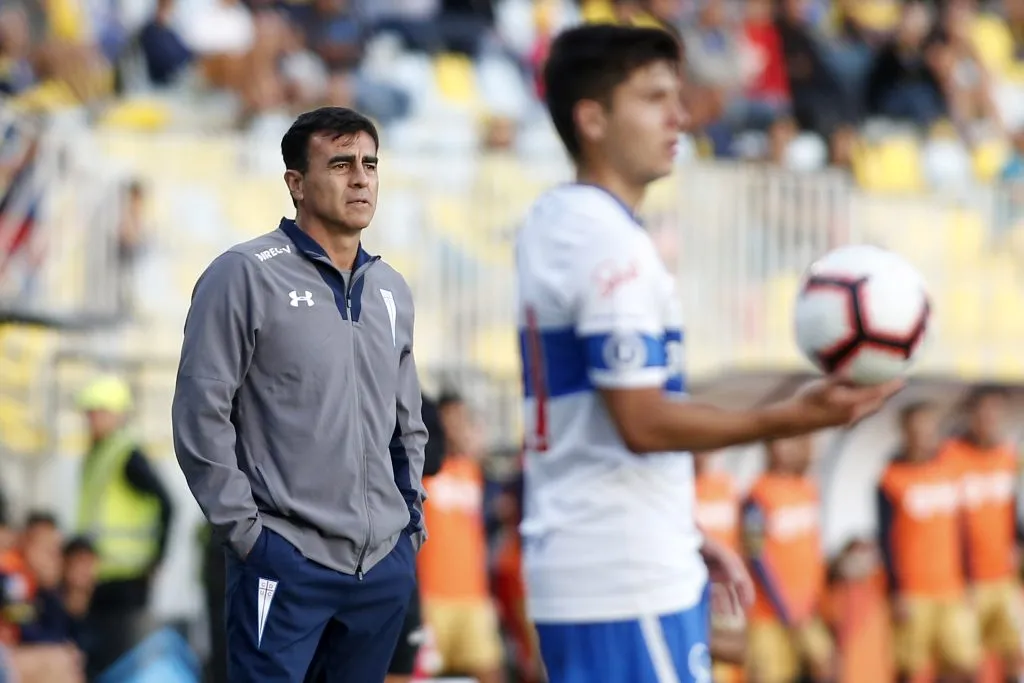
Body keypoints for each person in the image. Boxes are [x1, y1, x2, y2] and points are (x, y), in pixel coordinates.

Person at [514, 23, 901, 683]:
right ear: (592, 118)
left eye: (679, 95)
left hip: (599, 558)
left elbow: (600, 422)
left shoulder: (555, 220)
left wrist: (685, 536)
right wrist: (793, 416)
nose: (681, 115)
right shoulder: (614, 247)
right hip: (626, 576)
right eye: (655, 97)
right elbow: (641, 421)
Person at [171, 106, 428, 683]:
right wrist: (250, 537)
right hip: (284, 561)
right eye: (340, 163)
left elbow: (406, 423)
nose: (360, 178)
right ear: (296, 183)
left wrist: (409, 524)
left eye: (369, 164)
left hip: (382, 565)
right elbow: (200, 413)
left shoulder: (391, 289)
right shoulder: (243, 274)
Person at [74, 375, 174, 679]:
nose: (91, 419)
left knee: (120, 661)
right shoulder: (99, 452)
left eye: (98, 412)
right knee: (98, 660)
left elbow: (167, 504)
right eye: (89, 412)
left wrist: (156, 559)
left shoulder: (127, 454)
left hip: (126, 579)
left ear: (117, 414)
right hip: (98, 576)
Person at [877, 402, 981, 683]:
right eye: (918, 428)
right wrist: (895, 590)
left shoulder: (950, 470)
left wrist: (969, 578)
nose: (925, 434)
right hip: (913, 592)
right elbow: (885, 539)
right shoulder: (891, 478)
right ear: (905, 432)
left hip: (952, 588)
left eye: (930, 427)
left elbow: (962, 531)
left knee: (963, 664)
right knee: (910, 668)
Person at [417, 391, 504, 683]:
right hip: (430, 599)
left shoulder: (477, 472)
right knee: (418, 673)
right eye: (451, 420)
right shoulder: (422, 471)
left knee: (491, 671)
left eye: (462, 420)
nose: (458, 427)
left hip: (472, 598)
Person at [938, 386, 1021, 682]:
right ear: (969, 414)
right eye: (982, 410)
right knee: (964, 663)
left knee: (1014, 653)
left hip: (1003, 576)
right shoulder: (950, 455)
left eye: (995, 410)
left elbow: (1011, 508)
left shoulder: (1007, 454)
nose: (989, 417)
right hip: (965, 581)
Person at [742, 437, 834, 683]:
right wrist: (784, 609)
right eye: (780, 443)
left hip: (806, 608)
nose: (787, 449)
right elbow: (756, 554)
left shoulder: (806, 488)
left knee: (825, 664)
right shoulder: (757, 495)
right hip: (769, 612)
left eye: (792, 443)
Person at [385, 392, 447, 683]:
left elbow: (434, 458)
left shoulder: (416, 400)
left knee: (400, 657)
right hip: (338, 549)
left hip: (397, 546)